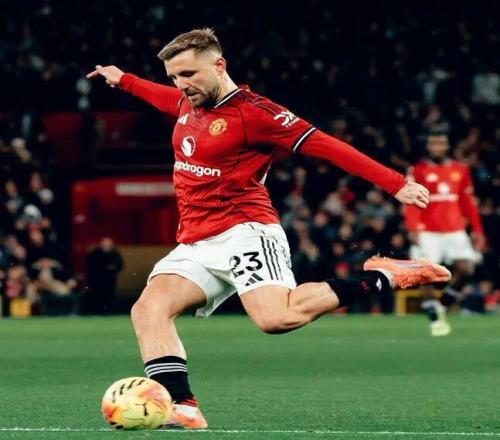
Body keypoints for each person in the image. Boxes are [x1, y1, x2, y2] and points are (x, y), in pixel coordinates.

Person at [87, 28, 450, 429]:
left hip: (246, 230)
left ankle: (384, 276)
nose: (181, 84)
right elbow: (162, 97)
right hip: (196, 240)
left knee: (277, 319)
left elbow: (327, 145)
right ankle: (183, 407)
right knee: (149, 310)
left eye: (188, 74)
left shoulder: (257, 114)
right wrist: (124, 79)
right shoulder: (189, 102)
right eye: (174, 76)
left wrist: (395, 184)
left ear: (219, 65)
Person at [405, 133, 486, 336]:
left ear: (447, 145)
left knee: (466, 268)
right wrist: (413, 227)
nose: (437, 147)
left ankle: (443, 304)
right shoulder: (418, 170)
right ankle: (435, 321)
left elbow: (468, 203)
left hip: (455, 230)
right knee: (426, 276)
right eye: (433, 143)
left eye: (441, 143)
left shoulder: (461, 170)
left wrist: (477, 230)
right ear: (428, 146)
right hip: (428, 232)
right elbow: (411, 202)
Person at [85, 237, 124, 314]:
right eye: (105, 243)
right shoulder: (95, 253)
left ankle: (107, 311)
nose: (107, 245)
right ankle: (95, 311)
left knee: (109, 297)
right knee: (96, 296)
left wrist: (112, 267)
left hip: (110, 281)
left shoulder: (115, 253)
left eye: (109, 244)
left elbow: (120, 265)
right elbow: (91, 266)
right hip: (96, 281)